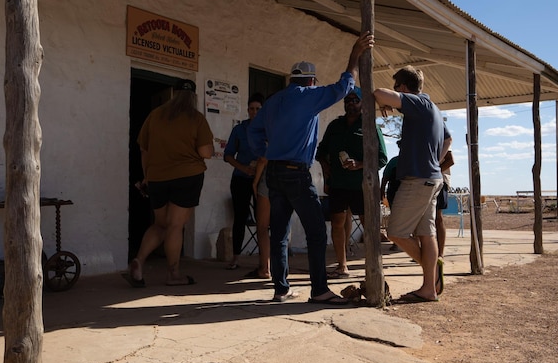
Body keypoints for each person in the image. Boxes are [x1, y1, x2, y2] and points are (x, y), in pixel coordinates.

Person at [247, 32, 374, 304]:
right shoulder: (309, 95)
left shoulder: (273, 101)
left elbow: (253, 132)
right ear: (311, 80)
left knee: (279, 232)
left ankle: (281, 289)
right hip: (296, 173)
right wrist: (354, 54)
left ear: (292, 78)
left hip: (274, 173)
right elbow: (343, 86)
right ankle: (319, 290)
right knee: (316, 231)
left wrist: (265, 153)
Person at [126, 79, 214, 288]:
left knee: (160, 224)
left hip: (157, 177)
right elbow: (205, 153)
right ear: (193, 97)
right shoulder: (196, 118)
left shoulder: (155, 115)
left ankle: (139, 260)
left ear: (174, 94)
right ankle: (173, 275)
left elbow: (144, 150)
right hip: (187, 176)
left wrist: (147, 175)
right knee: (175, 225)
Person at [374, 66, 451, 303]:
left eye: (397, 87)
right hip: (431, 178)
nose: (396, 90)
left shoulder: (419, 104)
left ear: (403, 88)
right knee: (427, 234)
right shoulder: (432, 109)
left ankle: (432, 273)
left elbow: (378, 92)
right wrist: (434, 161)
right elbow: (448, 138)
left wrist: (389, 102)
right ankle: (429, 288)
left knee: (395, 232)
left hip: (418, 180)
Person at [317, 86, 387, 278]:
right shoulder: (334, 126)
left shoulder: (370, 126)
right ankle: (342, 265)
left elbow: (382, 158)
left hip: (361, 185)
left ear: (362, 102)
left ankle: (373, 265)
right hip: (338, 184)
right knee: (338, 223)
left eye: (355, 100)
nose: (350, 103)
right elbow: (320, 153)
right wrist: (326, 169)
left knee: (368, 224)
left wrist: (360, 164)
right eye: (347, 100)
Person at [223, 94, 264, 271]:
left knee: (263, 219)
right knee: (240, 217)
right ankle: (236, 257)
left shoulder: (267, 129)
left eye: (258, 109)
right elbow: (228, 155)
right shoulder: (239, 130)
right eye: (251, 109)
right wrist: (243, 168)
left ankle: (265, 260)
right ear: (247, 110)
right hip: (241, 178)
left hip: (262, 180)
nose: (254, 112)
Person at [434, 132, 453, 293]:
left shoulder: (441, 140)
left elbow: (450, 160)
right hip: (426, 182)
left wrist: (435, 170)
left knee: (438, 218)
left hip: (440, 182)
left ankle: (440, 253)